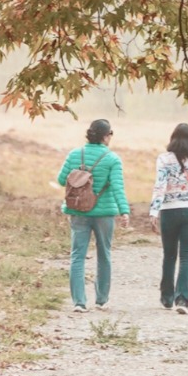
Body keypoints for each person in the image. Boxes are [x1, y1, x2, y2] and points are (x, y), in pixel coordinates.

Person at [55, 119, 129, 312]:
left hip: (78, 211)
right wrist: (124, 211)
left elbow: (62, 179)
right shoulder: (112, 159)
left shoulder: (74, 154)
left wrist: (79, 175)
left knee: (77, 255)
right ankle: (101, 300)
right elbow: (117, 187)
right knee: (104, 254)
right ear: (106, 136)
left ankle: (79, 302)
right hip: (104, 213)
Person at [148, 123, 188, 314]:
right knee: (187, 256)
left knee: (169, 255)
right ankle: (182, 300)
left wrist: (154, 211)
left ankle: (167, 298)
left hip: (169, 211)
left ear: (172, 138)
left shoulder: (164, 159)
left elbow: (159, 185)